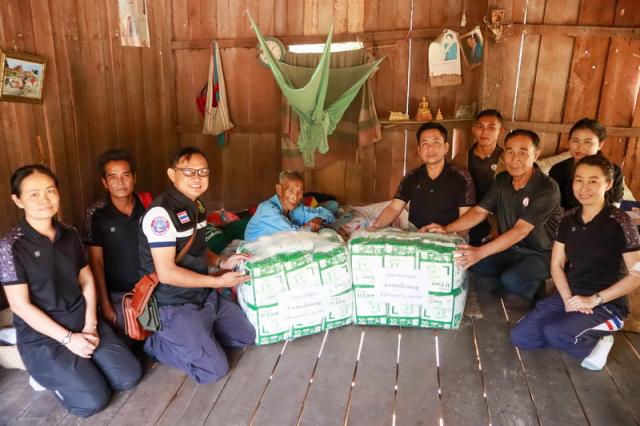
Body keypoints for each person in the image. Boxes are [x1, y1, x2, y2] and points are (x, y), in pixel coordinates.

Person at [0, 165, 141, 417]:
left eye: (50, 191)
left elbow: (86, 279)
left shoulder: (69, 233)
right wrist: (68, 339)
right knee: (92, 401)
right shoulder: (11, 246)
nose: (44, 199)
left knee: (128, 377)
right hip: (43, 336)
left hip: (80, 319)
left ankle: (77, 369)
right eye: (34, 194)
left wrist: (90, 324)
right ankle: (45, 374)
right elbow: (20, 306)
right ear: (18, 200)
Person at [511, 155, 640, 370]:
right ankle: (569, 334)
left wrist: (593, 300)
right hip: (570, 293)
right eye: (579, 180)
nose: (584, 187)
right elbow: (557, 265)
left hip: (607, 303)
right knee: (521, 337)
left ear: (608, 184)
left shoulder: (620, 221)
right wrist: (568, 299)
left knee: (556, 332)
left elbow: (637, 275)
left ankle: (601, 338)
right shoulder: (568, 218)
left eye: (593, 181)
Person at [139, 146, 255, 384]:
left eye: (203, 172)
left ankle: (198, 336)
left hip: (202, 296)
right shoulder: (161, 214)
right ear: (172, 174)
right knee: (214, 369)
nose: (197, 178)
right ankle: (158, 343)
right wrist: (217, 281)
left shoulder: (197, 206)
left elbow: (200, 249)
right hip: (173, 304)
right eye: (189, 172)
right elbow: (167, 273)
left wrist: (222, 262)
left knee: (245, 337)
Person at [425, 129, 562, 304]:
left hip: (541, 253)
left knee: (511, 280)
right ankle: (510, 277)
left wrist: (479, 252)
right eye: (510, 151)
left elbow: (521, 231)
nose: (514, 158)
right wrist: (446, 229)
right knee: (471, 263)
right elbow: (479, 211)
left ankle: (538, 290)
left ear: (536, 155)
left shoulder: (547, 188)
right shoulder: (503, 180)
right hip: (511, 248)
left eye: (522, 153)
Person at [83, 149, 147, 335]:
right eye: (113, 177)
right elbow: (96, 262)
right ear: (104, 182)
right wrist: (105, 303)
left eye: (125, 175)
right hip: (118, 293)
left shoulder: (149, 206)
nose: (120, 182)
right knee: (126, 332)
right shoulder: (96, 214)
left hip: (151, 288)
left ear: (134, 178)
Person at [371, 122, 475, 232]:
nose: (430, 148)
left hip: (449, 232)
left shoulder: (461, 177)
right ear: (419, 151)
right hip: (416, 233)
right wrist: (375, 227)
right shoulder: (411, 177)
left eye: (436, 142)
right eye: (425, 143)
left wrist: (450, 234)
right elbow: (394, 208)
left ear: (446, 148)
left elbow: (466, 219)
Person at [453, 109, 505, 245]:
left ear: (501, 131)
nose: (484, 132)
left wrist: (497, 225)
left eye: (491, 128)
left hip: (496, 218)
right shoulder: (461, 158)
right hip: (466, 216)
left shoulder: (507, 160)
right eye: (480, 127)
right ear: (473, 129)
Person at [549, 118, 625, 209]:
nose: (580, 147)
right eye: (575, 141)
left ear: (600, 145)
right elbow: (554, 206)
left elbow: (615, 205)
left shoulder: (614, 171)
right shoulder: (558, 170)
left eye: (587, 142)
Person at [244, 170, 335, 242]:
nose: (295, 197)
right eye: (291, 191)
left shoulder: (297, 208)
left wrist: (319, 218)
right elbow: (295, 234)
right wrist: (311, 226)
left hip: (276, 245)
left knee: (333, 206)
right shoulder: (267, 210)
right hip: (255, 250)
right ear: (279, 190)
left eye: (299, 192)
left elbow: (326, 213)